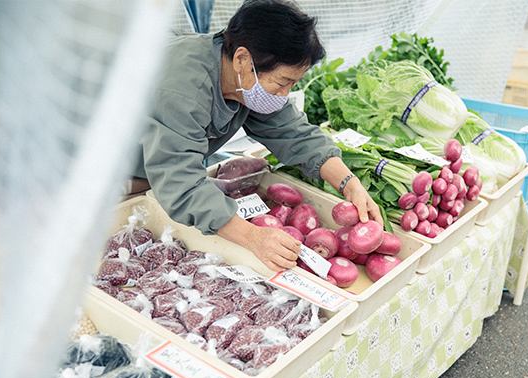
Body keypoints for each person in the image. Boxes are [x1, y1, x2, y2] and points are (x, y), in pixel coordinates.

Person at [132, 0, 382, 273]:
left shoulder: (241, 78)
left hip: (159, 166)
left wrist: (349, 183)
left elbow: (292, 131)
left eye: (293, 84)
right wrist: (253, 237)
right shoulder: (184, 92)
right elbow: (181, 185)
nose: (284, 94)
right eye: (283, 82)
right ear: (242, 59)